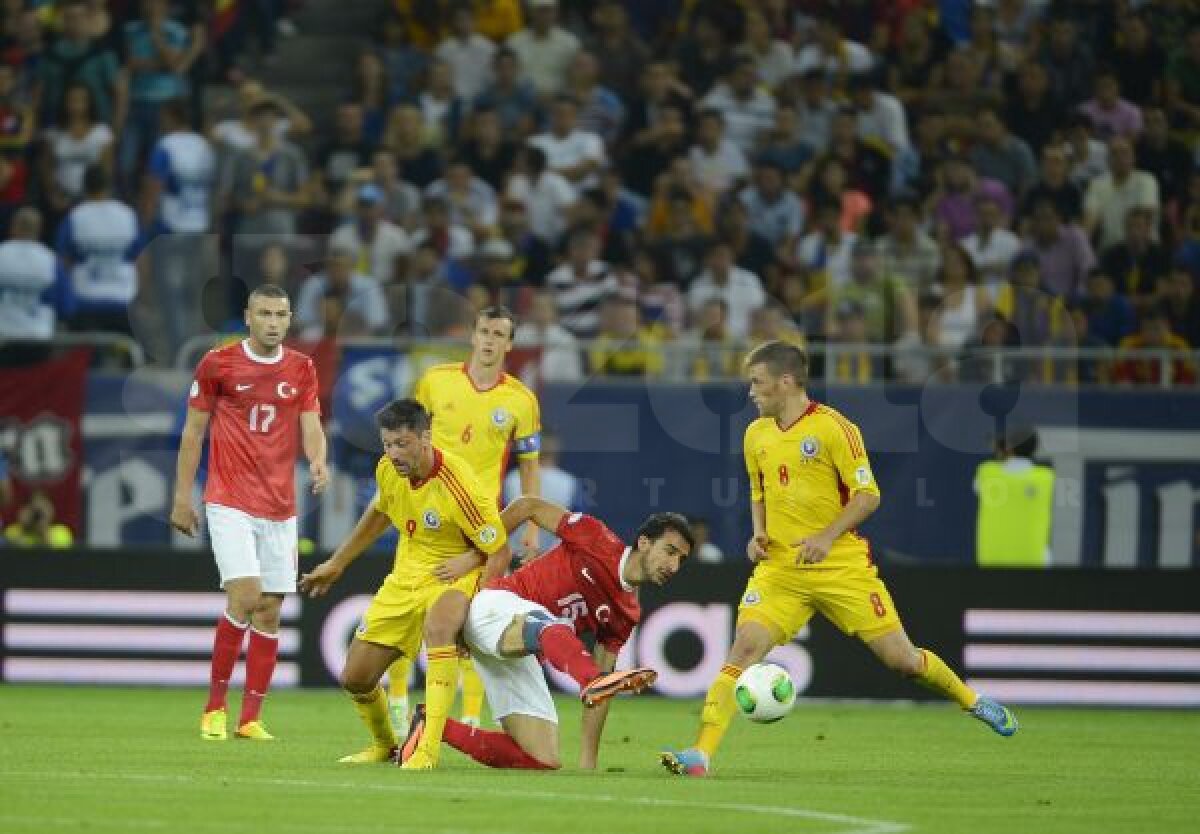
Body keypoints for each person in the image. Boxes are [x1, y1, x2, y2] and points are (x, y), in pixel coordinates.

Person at [661, 341, 1018, 778]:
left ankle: (972, 701)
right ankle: (701, 754)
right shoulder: (756, 433)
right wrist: (759, 533)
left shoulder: (834, 429)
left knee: (903, 661)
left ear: (786, 381)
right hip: (781, 571)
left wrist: (827, 537)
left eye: (757, 382)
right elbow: (759, 491)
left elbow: (869, 495)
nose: (751, 392)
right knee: (743, 650)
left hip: (840, 567)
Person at [398, 496, 693, 770]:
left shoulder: (627, 612)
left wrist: (588, 763)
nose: (674, 566)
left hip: (524, 647)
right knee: (555, 629)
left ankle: (430, 727)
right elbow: (527, 506)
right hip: (495, 605)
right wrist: (477, 555)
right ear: (644, 542)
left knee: (543, 757)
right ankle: (587, 678)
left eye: (681, 560)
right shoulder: (595, 536)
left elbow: (603, 685)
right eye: (670, 551)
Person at [299, 399, 512, 771]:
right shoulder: (388, 470)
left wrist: (477, 598)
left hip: (452, 574)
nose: (393, 453)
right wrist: (337, 563)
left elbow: (499, 551)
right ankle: (385, 745)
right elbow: (381, 511)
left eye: (402, 443)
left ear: (425, 437)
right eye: (387, 444)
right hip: (406, 575)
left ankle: (427, 749)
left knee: (440, 627)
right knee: (356, 677)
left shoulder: (460, 486)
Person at [171, 284, 328, 743]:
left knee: (271, 612)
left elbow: (311, 422)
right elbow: (192, 433)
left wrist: (319, 459)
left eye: (281, 314)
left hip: (280, 506)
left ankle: (250, 719)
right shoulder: (218, 363)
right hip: (229, 500)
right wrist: (182, 496)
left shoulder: (302, 368)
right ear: (248, 316)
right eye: (265, 314)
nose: (273, 322)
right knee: (245, 595)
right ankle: (214, 709)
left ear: (290, 317)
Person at [385, 305, 541, 734]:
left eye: (499, 334)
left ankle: (470, 715)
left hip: (480, 529)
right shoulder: (436, 381)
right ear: (473, 336)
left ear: (510, 344)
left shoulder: (521, 401)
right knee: (408, 614)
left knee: (473, 621)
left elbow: (529, 466)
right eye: (484, 331)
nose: (490, 340)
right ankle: (398, 704)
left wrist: (529, 527)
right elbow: (404, 437)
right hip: (426, 519)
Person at [975, 427, 1055, 568]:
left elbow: (977, 487)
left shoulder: (986, 473)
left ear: (1008, 448)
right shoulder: (1047, 478)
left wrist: (1000, 453)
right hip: (1033, 562)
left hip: (992, 562)